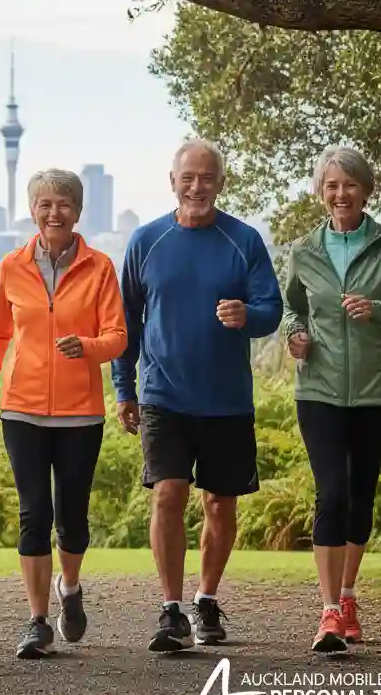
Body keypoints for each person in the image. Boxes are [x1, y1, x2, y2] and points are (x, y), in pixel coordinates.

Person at [112, 139, 282, 652]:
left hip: (227, 398)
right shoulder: (146, 241)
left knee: (219, 504)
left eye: (207, 177)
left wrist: (246, 316)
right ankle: (169, 610)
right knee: (167, 493)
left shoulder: (244, 241)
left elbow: (270, 309)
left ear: (220, 183)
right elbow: (125, 324)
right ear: (172, 181)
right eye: (188, 177)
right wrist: (125, 388)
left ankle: (206, 599)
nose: (197, 187)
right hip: (163, 393)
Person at [0, 169, 127, 659]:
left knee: (72, 517)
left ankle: (71, 586)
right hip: (22, 409)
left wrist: (84, 347)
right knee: (33, 514)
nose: (54, 212)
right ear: (32, 209)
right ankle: (37, 620)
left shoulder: (100, 267)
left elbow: (119, 338)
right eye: (44, 203)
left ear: (78, 212)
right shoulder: (12, 267)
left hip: (81, 413)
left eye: (63, 203)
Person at [282, 146, 381, 654]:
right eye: (330, 186)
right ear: (321, 193)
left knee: (361, 496)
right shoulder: (304, 250)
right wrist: (295, 336)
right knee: (332, 494)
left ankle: (348, 597)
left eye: (348, 185)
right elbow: (291, 309)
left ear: (365, 190)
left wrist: (380, 310)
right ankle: (327, 613)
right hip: (318, 389)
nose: (340, 194)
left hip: (375, 393)